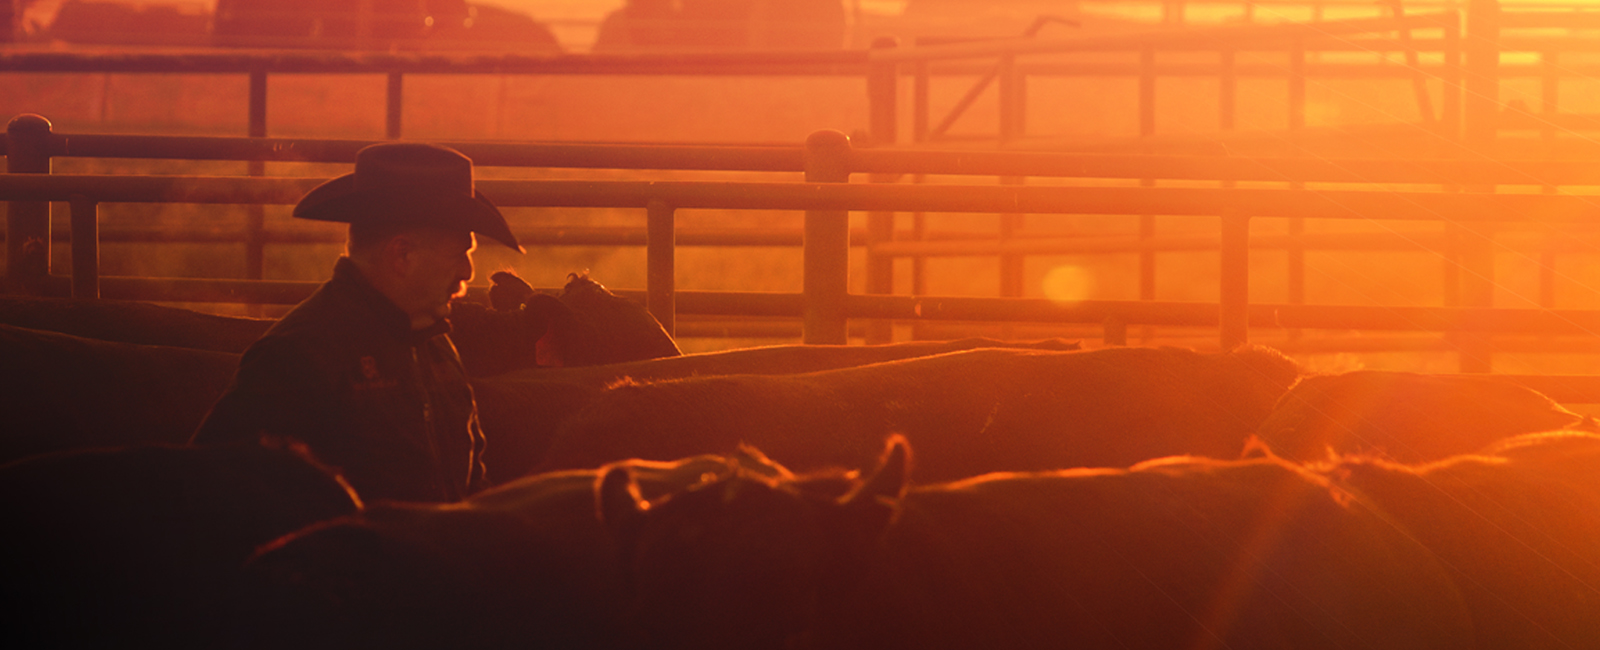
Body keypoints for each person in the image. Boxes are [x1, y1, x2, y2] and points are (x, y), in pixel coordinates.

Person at [192, 142, 523, 503]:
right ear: (402, 254)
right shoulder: (296, 357)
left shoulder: (435, 345)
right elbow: (213, 498)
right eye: (461, 253)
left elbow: (471, 484)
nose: (468, 272)